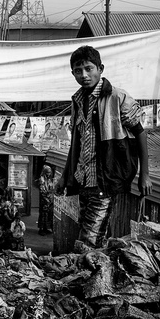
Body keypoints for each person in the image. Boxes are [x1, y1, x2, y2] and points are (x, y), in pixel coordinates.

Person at [56, 45, 150, 249]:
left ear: (100, 69)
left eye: (89, 69)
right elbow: (76, 144)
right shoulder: (77, 101)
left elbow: (140, 133)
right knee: (93, 231)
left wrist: (145, 175)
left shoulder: (117, 97)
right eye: (78, 71)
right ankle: (99, 271)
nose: (84, 75)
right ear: (72, 73)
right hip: (84, 179)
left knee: (88, 238)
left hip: (106, 179)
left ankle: (87, 273)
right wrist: (65, 176)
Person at [37, 165, 55, 235]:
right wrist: (47, 196)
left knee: (48, 215)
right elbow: (42, 190)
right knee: (43, 214)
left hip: (49, 199)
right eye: (47, 172)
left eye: (50, 173)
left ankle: (46, 228)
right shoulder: (42, 179)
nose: (49, 174)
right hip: (44, 200)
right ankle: (41, 229)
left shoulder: (49, 179)